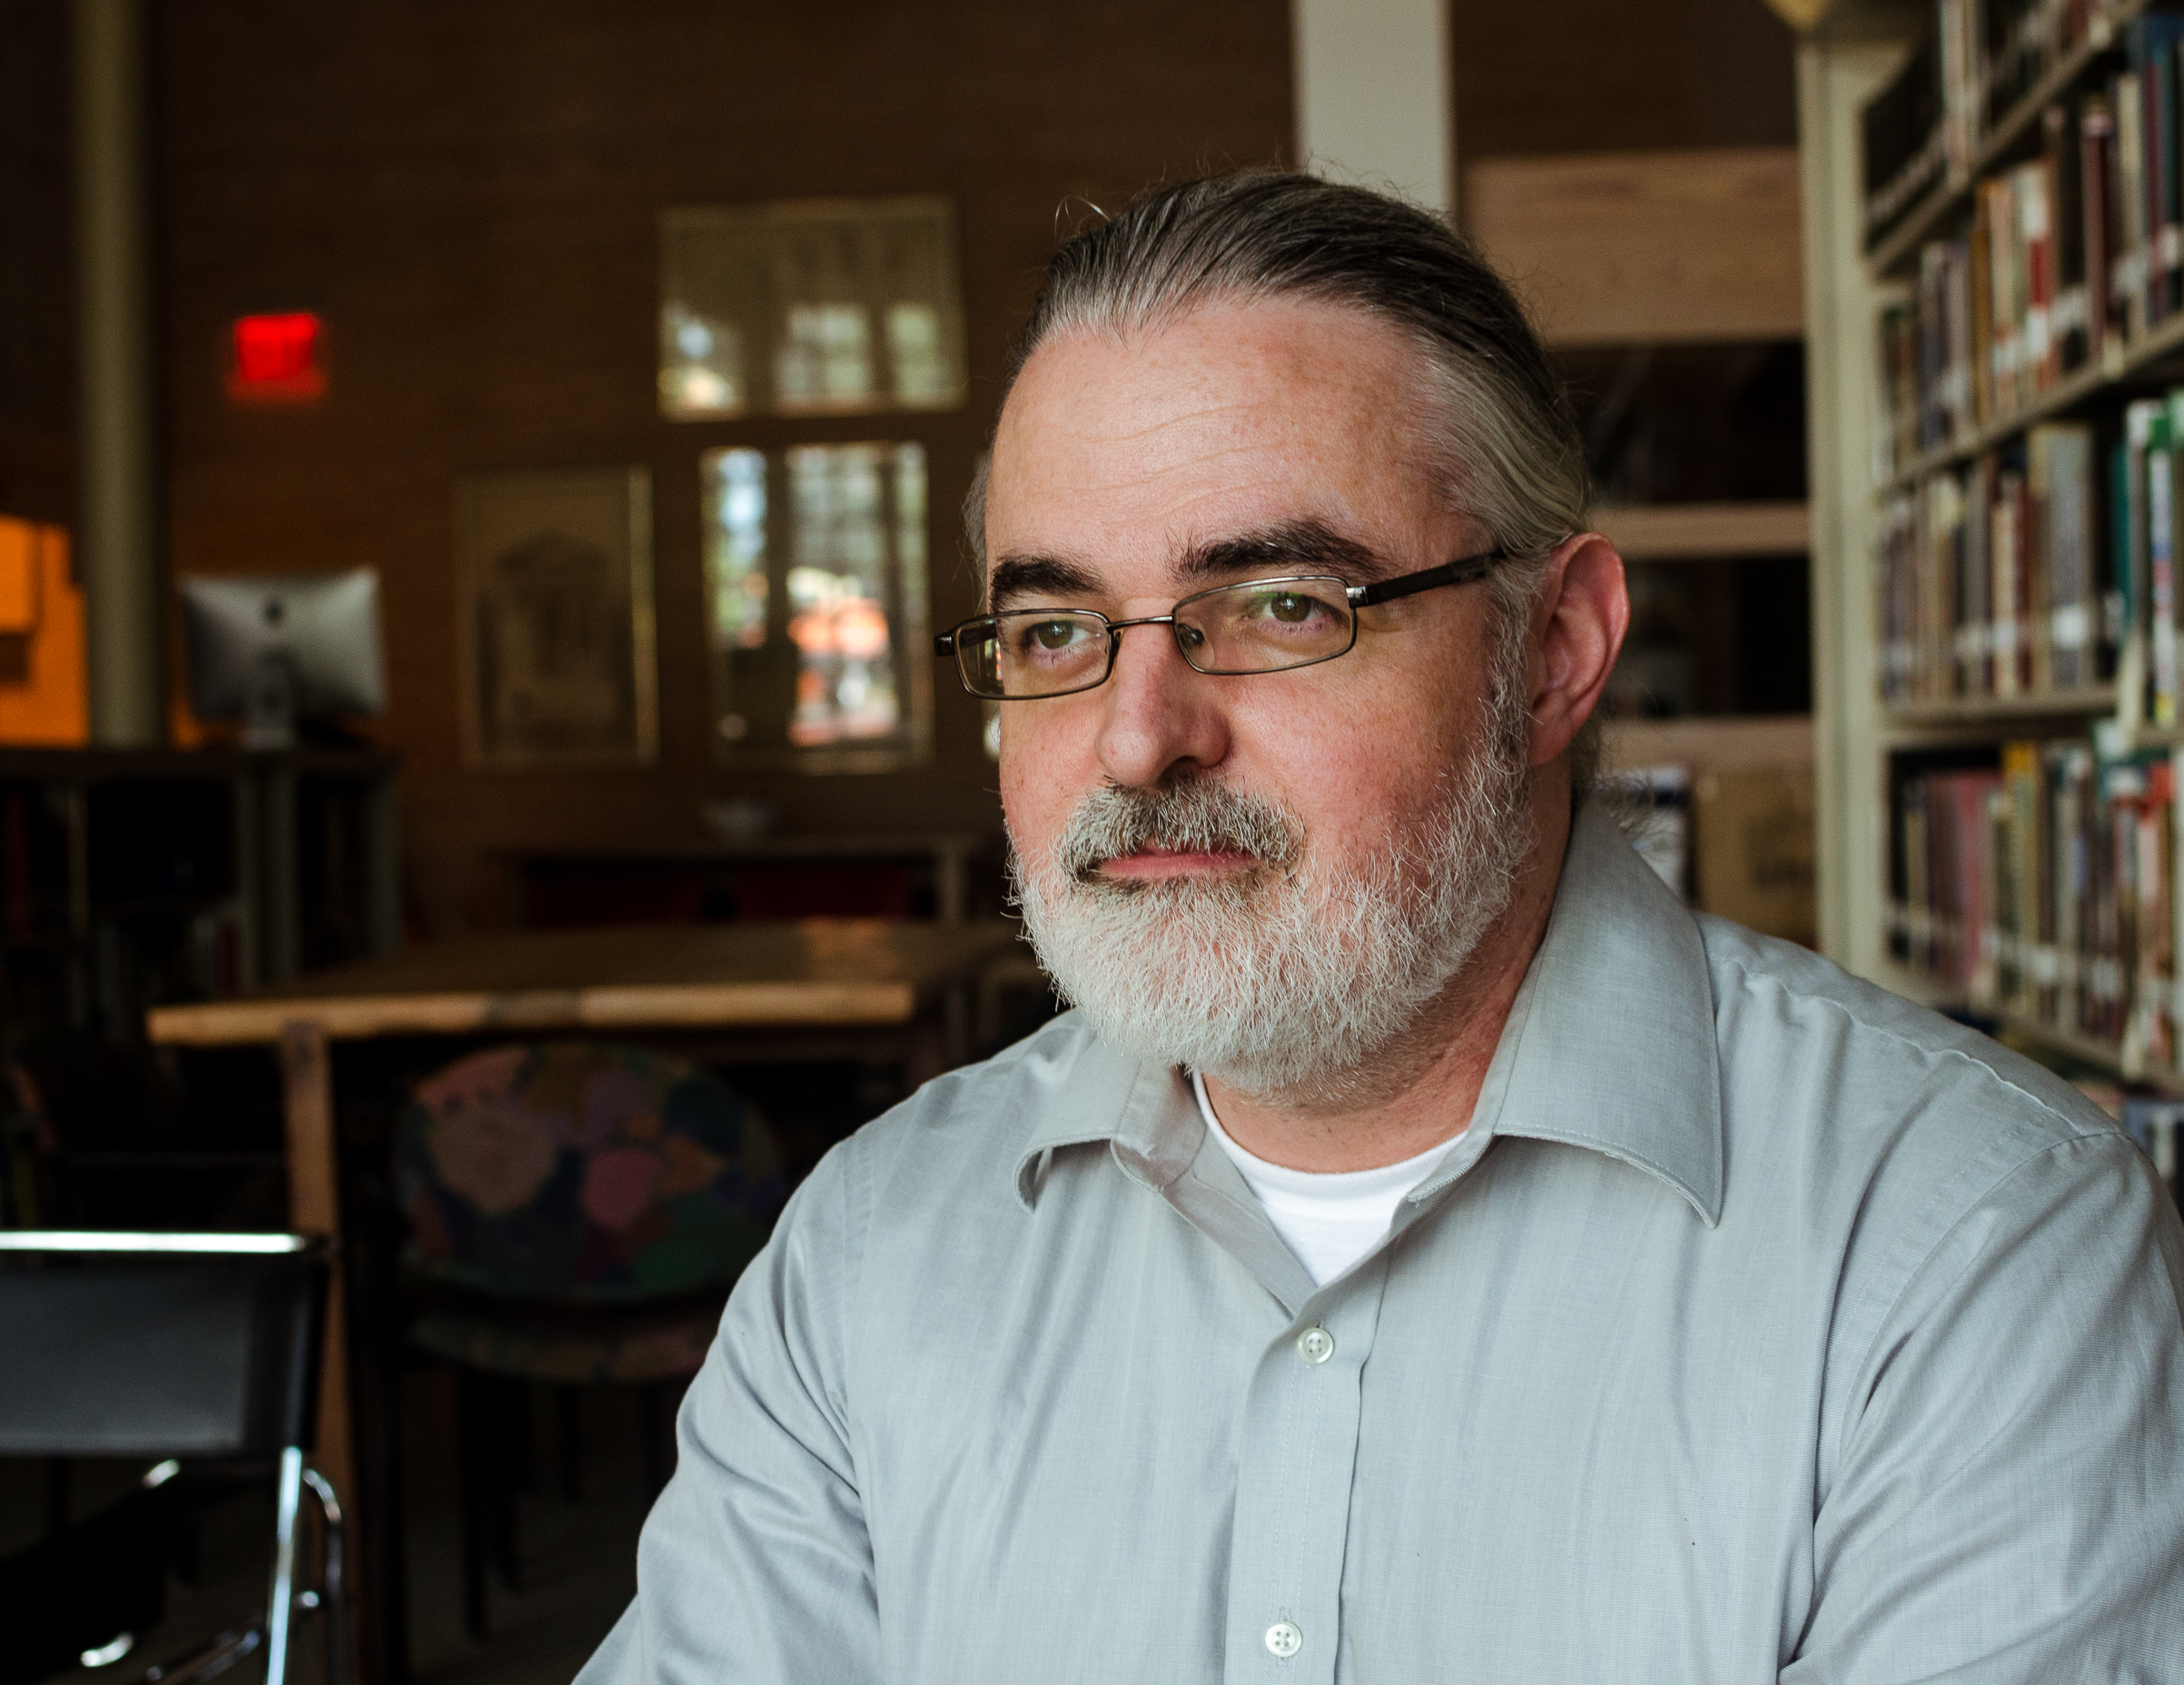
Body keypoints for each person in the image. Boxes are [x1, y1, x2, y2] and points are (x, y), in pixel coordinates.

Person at [580, 172, 2184, 1681]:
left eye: (1284, 606)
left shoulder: (1968, 1250)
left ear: (1551, 652)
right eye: (1056, 629)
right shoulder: (867, 1261)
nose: (1141, 737)